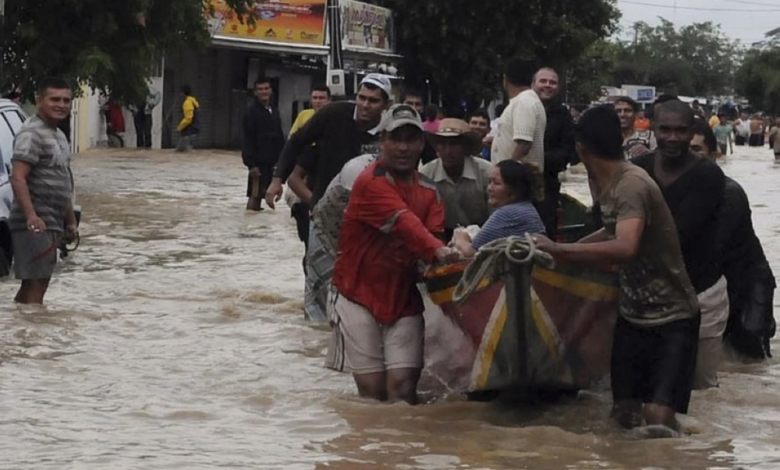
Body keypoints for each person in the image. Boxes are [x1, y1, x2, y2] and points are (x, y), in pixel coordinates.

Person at [534, 105, 700, 435]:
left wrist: (560, 250)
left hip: (673, 317)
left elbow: (626, 246)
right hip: (632, 315)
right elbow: (612, 231)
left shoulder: (630, 185)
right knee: (622, 415)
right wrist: (561, 251)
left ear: (581, 147)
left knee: (656, 418)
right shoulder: (609, 183)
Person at [325, 104, 460, 404]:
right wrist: (440, 251)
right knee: (372, 392)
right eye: (395, 139)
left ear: (421, 145)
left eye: (411, 139)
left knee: (402, 391)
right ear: (381, 142)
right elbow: (406, 223)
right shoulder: (369, 182)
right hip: (355, 293)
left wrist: (447, 255)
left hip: (402, 297)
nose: (403, 147)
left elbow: (433, 237)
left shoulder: (430, 191)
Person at [267, 74, 390, 322]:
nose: (365, 105)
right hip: (325, 213)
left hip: (373, 219)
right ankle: (315, 338)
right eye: (361, 98)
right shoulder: (333, 115)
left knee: (367, 282)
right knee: (318, 282)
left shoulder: (393, 129)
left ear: (385, 105)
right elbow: (296, 141)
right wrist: (277, 179)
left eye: (373, 101)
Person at [632, 99, 727, 390]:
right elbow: (610, 217)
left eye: (681, 131)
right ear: (653, 129)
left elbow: (679, 233)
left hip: (701, 294)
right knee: (645, 387)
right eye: (666, 129)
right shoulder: (638, 169)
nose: (673, 138)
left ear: (691, 132)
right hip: (646, 294)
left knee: (701, 391)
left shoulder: (708, 175)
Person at [690, 121, 776, 360]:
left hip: (747, 285)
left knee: (749, 362)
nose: (690, 157)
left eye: (697, 150)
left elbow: (710, 250)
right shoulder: (682, 190)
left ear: (714, 154)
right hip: (715, 285)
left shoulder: (729, 193)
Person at [9, 77, 79, 304]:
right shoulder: (31, 133)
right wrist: (31, 216)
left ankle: (23, 331)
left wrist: (70, 221)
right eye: (55, 99)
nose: (61, 105)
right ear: (40, 100)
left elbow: (63, 180)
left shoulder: (59, 135)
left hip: (52, 220)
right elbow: (18, 177)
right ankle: (31, 334)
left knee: (36, 282)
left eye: (66, 100)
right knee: (37, 283)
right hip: (35, 220)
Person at [453, 160, 545, 257]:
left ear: (513, 190)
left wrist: (461, 238)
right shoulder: (526, 208)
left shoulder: (508, 213)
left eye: (496, 183)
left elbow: (472, 252)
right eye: (489, 182)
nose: (489, 188)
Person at [420, 118, 493, 239]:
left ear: (465, 147)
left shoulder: (486, 172)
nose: (448, 151)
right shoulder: (427, 174)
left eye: (454, 144)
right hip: (441, 235)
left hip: (483, 234)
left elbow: (495, 214)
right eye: (442, 144)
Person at [286, 85, 331, 264]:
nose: (318, 101)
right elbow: (293, 142)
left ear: (329, 100)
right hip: (304, 173)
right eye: (315, 98)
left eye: (321, 98)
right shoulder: (304, 116)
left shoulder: (335, 119)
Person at [533, 67, 576, 237]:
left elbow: (568, 151)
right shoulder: (521, 108)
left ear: (557, 88)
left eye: (552, 82)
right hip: (516, 184)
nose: (547, 85)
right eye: (543, 81)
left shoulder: (562, 114)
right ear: (533, 84)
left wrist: (536, 160)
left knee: (544, 231)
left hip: (547, 185)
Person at [491, 57, 547, 172]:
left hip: (517, 181)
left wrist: (506, 173)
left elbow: (523, 144)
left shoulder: (523, 101)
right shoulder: (524, 101)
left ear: (505, 79)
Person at [242, 78, 286, 211]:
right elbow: (247, 139)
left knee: (267, 192)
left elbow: (279, 135)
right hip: (258, 163)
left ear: (271, 91)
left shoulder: (274, 110)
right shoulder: (251, 112)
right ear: (255, 92)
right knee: (255, 195)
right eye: (260, 89)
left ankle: (260, 228)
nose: (264, 92)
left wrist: (282, 159)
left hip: (272, 161)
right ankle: (250, 226)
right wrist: (251, 164)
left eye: (266, 89)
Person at [401, 87, 437, 165]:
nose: (413, 108)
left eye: (418, 104)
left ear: (422, 108)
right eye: (409, 103)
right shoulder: (388, 131)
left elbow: (430, 165)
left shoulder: (425, 138)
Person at [176, 85, 200, 152]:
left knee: (182, 152)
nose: (179, 95)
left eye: (180, 93)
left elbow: (188, 119)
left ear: (183, 93)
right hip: (194, 131)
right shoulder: (193, 101)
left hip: (188, 133)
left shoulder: (187, 103)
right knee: (187, 151)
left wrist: (179, 127)